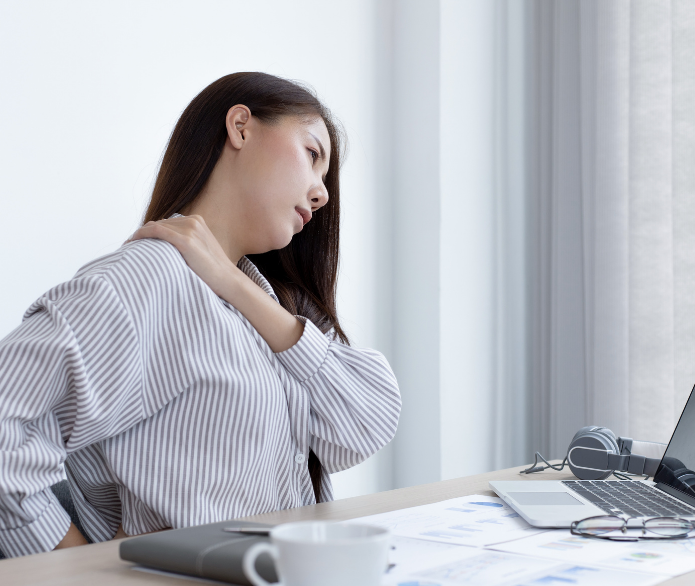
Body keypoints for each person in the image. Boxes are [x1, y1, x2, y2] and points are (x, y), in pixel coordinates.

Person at [0, 72, 401, 557]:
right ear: (241, 127)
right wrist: (76, 572)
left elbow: (369, 417)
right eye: (313, 154)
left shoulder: (264, 302)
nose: (322, 193)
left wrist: (233, 284)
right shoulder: (147, 280)